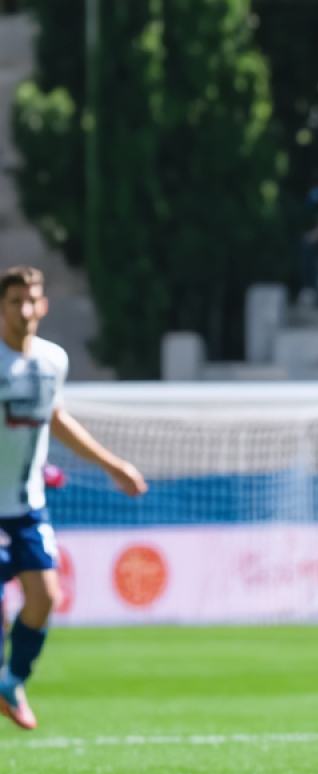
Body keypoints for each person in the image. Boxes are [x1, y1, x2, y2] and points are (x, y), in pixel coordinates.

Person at [0, 266, 148, 730]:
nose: (25, 309)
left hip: (26, 505)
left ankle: (12, 680)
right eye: (14, 301)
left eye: (32, 300)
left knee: (45, 596)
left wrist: (113, 465)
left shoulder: (52, 361)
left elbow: (56, 418)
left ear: (43, 305)